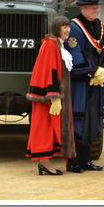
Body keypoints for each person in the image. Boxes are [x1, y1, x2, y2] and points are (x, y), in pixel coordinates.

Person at [25, 16, 76, 175]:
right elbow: (50, 70)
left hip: (55, 96)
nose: (67, 30)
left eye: (68, 26)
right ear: (56, 28)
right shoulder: (50, 45)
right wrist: (54, 97)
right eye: (64, 27)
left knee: (48, 129)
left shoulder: (57, 44)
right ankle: (45, 164)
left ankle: (44, 163)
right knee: (45, 129)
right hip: (49, 97)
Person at [65, 0, 104, 173]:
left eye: (97, 8)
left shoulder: (100, 25)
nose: (96, 11)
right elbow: (75, 54)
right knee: (79, 120)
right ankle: (74, 161)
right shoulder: (75, 26)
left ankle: (87, 160)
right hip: (81, 81)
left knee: (94, 120)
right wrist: (93, 70)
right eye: (92, 8)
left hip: (96, 81)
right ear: (83, 9)